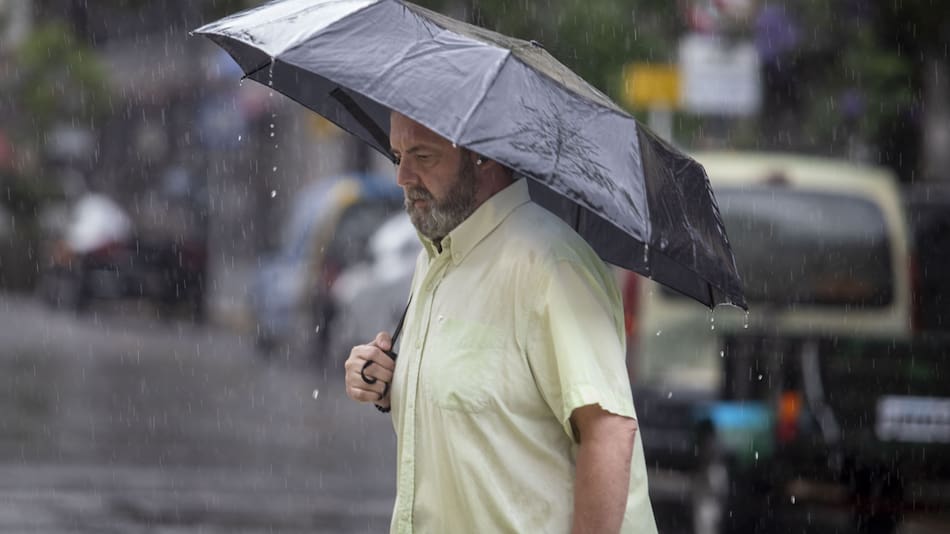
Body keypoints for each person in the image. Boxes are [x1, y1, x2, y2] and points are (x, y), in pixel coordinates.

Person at [344, 112, 657, 534]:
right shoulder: (434, 258)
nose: (403, 176)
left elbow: (610, 431)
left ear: (483, 154)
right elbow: (483, 395)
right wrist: (391, 383)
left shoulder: (551, 264)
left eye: (422, 155)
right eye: (398, 155)